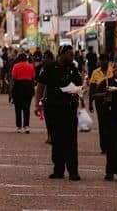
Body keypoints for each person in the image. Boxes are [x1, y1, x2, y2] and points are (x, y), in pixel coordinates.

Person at [35, 45, 82, 181]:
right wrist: (37, 104)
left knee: (71, 141)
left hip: (69, 109)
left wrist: (76, 92)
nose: (72, 57)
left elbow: (79, 87)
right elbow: (40, 86)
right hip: (53, 109)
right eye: (69, 54)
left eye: (72, 54)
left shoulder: (73, 69)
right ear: (61, 55)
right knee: (56, 140)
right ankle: (58, 170)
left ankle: (73, 171)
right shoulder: (49, 68)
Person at [89, 54, 112, 154]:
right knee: (102, 124)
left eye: (105, 60)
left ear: (108, 61)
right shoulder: (95, 73)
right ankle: (104, 147)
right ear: (99, 61)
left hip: (112, 101)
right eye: (102, 60)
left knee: (111, 124)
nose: (104, 62)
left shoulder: (112, 70)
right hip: (99, 102)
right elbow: (92, 89)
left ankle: (112, 145)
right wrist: (90, 103)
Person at [11, 53, 36, 133]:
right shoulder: (30, 66)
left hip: (18, 86)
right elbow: (33, 77)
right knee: (27, 107)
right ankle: (26, 126)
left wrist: (11, 89)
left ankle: (19, 126)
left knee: (18, 107)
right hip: (28, 86)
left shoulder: (16, 66)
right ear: (26, 58)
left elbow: (14, 77)